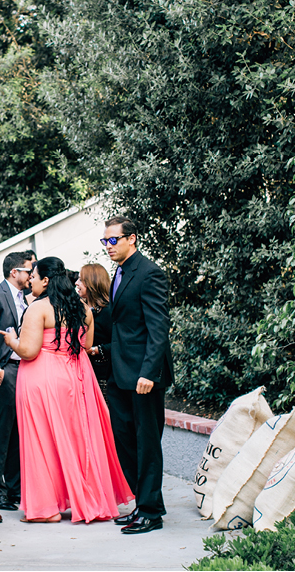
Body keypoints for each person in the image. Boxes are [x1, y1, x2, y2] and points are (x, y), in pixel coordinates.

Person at [0, 257, 133, 523]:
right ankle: (89, 498)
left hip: (42, 377)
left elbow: (29, 351)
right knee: (78, 439)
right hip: (76, 377)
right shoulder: (82, 309)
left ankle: (46, 508)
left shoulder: (38, 308)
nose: (31, 281)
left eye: (34, 276)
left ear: (46, 280)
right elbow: (86, 345)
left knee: (42, 441)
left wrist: (12, 340)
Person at [101, 216, 174, 534]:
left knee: (147, 444)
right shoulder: (119, 273)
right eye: (104, 241)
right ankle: (142, 503)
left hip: (144, 375)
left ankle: (151, 512)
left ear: (131, 238)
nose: (108, 246)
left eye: (113, 240)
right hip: (120, 373)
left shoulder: (149, 273)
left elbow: (158, 328)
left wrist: (149, 373)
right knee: (124, 440)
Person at [0, 251, 32, 511]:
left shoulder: (26, 297)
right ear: (15, 272)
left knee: (17, 431)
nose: (31, 275)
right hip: (5, 369)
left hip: (23, 368)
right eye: (28, 270)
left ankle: (15, 488)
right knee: (2, 431)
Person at [77, 263, 112, 401]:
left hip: (104, 377)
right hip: (85, 374)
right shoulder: (82, 310)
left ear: (92, 283)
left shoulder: (107, 312)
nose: (76, 283)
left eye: (81, 280)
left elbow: (119, 343)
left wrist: (95, 350)